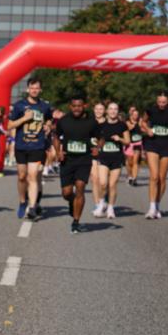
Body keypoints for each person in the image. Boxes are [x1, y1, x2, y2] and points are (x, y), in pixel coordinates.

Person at [7, 78, 53, 220]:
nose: (34, 90)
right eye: (32, 88)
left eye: (37, 88)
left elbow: (49, 119)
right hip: (21, 146)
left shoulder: (45, 106)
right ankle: (22, 201)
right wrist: (24, 119)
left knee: (33, 176)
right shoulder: (19, 106)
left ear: (40, 90)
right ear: (28, 89)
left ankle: (32, 207)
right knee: (22, 177)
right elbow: (9, 125)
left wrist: (48, 126)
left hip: (37, 146)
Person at [54, 95, 100, 234]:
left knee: (80, 187)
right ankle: (71, 202)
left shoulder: (91, 122)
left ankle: (76, 222)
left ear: (84, 106)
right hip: (67, 160)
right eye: (74, 106)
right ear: (70, 106)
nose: (77, 109)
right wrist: (58, 152)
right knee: (66, 192)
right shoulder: (63, 121)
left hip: (84, 160)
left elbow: (101, 137)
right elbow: (56, 137)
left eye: (79, 106)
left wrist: (97, 148)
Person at [140, 90, 168, 219]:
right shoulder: (150, 110)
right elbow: (142, 122)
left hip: (166, 146)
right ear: (156, 101)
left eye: (164, 102)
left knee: (162, 178)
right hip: (152, 144)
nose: (161, 104)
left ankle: (157, 205)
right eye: (159, 102)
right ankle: (151, 207)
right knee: (154, 177)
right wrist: (147, 130)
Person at [94, 101, 130, 219]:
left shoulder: (122, 125)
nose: (113, 111)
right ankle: (101, 203)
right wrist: (98, 143)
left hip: (117, 157)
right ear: (107, 111)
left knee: (112, 184)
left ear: (118, 111)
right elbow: (96, 140)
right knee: (103, 183)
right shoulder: (101, 125)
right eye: (111, 109)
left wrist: (119, 138)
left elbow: (128, 141)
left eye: (115, 109)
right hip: (103, 157)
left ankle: (110, 208)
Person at [89, 101, 106, 216]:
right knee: (94, 179)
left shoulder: (109, 123)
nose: (98, 111)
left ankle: (103, 201)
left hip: (106, 154)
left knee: (103, 182)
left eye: (101, 109)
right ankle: (97, 204)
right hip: (92, 153)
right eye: (97, 109)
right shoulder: (89, 122)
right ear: (94, 110)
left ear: (104, 111)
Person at [125, 106, 143, 186]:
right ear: (131, 115)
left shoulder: (140, 121)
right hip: (129, 143)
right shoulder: (128, 121)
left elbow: (143, 128)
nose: (136, 116)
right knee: (130, 162)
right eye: (134, 114)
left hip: (138, 143)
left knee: (135, 161)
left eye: (137, 115)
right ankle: (130, 176)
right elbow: (130, 127)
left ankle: (134, 178)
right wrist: (136, 124)